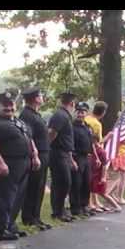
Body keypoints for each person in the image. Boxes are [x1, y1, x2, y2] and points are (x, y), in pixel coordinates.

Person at [0, 89, 41, 241]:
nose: (8, 108)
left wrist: (35, 155)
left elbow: (30, 139)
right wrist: (0, 163)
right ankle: (0, 228)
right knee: (4, 197)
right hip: (8, 163)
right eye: (5, 105)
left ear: (15, 105)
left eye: (11, 105)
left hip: (24, 163)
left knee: (17, 196)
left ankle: (10, 225)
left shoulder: (19, 122)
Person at [19, 87, 52, 231]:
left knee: (39, 187)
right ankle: (29, 217)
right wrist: (34, 154)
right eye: (40, 95)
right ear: (34, 98)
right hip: (36, 154)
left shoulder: (36, 114)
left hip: (44, 153)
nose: (42, 97)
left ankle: (36, 216)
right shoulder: (27, 115)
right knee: (33, 187)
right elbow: (28, 136)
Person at [48, 92, 77, 222]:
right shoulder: (60, 115)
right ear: (72, 103)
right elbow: (52, 132)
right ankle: (57, 211)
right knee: (62, 182)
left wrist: (70, 158)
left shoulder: (65, 116)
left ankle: (60, 209)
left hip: (64, 153)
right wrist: (47, 146)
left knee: (64, 182)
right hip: (57, 152)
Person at [69, 102, 94, 217]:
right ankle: (75, 207)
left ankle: (84, 205)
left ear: (86, 113)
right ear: (76, 113)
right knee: (77, 183)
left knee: (86, 182)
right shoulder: (72, 127)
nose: (80, 114)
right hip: (77, 156)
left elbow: (92, 142)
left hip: (86, 157)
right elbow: (70, 144)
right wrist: (72, 159)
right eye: (78, 112)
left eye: (83, 112)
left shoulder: (88, 127)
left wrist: (95, 156)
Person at [90, 135, 122, 212]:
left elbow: (104, 165)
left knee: (103, 193)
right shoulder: (93, 151)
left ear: (95, 141)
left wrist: (103, 177)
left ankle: (117, 206)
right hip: (94, 175)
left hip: (99, 175)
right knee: (92, 190)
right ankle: (93, 205)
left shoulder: (101, 151)